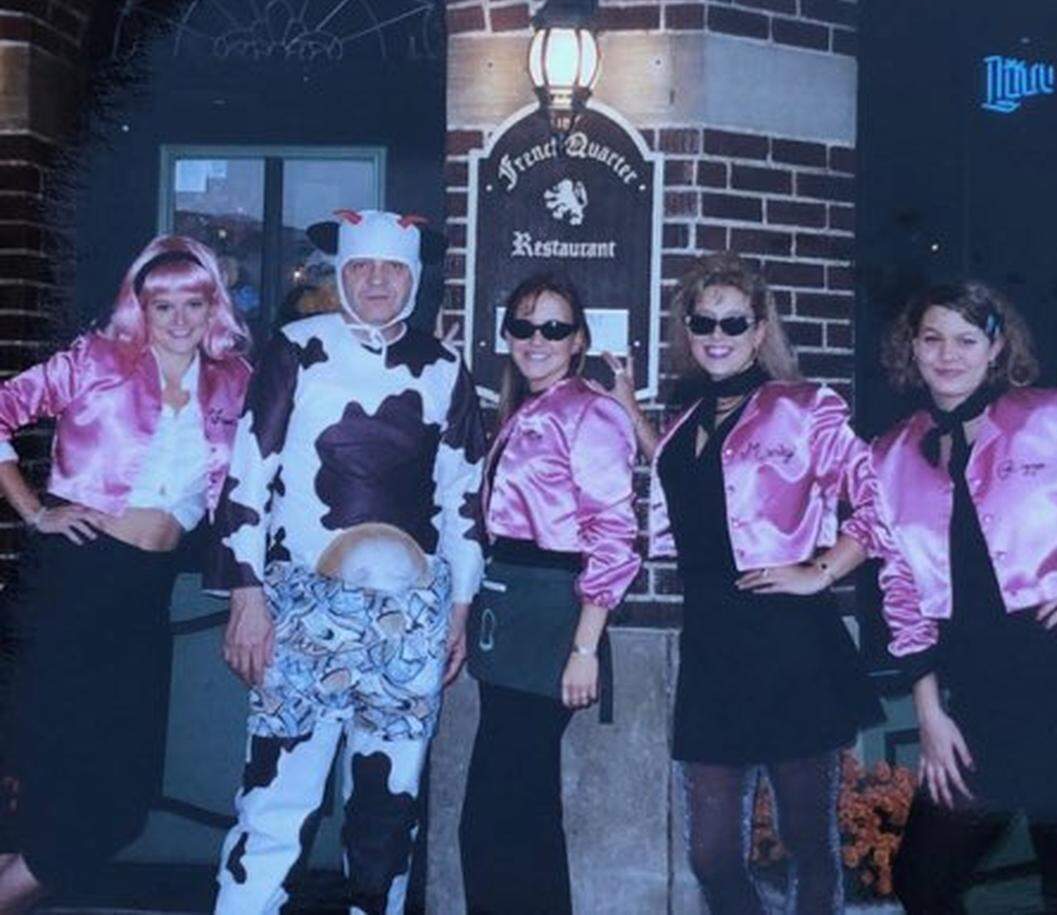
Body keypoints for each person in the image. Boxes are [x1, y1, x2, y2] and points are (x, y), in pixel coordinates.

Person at [210, 209, 484, 915]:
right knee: (276, 796)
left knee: (388, 809)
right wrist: (246, 594)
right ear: (341, 273)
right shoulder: (297, 348)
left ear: (414, 278)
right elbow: (248, 476)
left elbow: (463, 496)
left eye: (393, 268)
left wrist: (459, 608)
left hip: (408, 620)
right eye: (361, 266)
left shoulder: (444, 368)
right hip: (301, 608)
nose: (376, 281)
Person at [849, 280, 1057, 913]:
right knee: (922, 878)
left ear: (996, 347)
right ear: (912, 347)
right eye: (932, 339)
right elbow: (901, 590)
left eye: (965, 340)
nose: (947, 355)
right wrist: (929, 712)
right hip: (981, 699)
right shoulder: (891, 454)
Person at [606, 252, 882, 915]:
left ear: (760, 331)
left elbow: (881, 500)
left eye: (734, 322)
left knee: (806, 842)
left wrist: (820, 570)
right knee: (710, 856)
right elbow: (694, 480)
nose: (717, 335)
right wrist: (629, 410)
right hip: (712, 643)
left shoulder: (804, 407)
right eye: (704, 321)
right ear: (688, 329)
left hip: (789, 642)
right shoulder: (687, 413)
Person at [0, 236, 251, 911]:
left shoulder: (235, 381)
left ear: (214, 308)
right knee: (37, 788)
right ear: (140, 308)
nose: (178, 319)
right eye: (162, 305)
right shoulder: (96, 360)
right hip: (72, 582)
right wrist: (35, 512)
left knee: (119, 800)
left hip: (146, 593)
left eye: (192, 303)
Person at [459, 273, 639, 915]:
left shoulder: (591, 412)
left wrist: (584, 649)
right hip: (511, 612)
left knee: (503, 815)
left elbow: (614, 537)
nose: (537, 340)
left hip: (553, 616)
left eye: (554, 328)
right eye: (524, 326)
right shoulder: (529, 408)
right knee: (512, 812)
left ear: (578, 340)